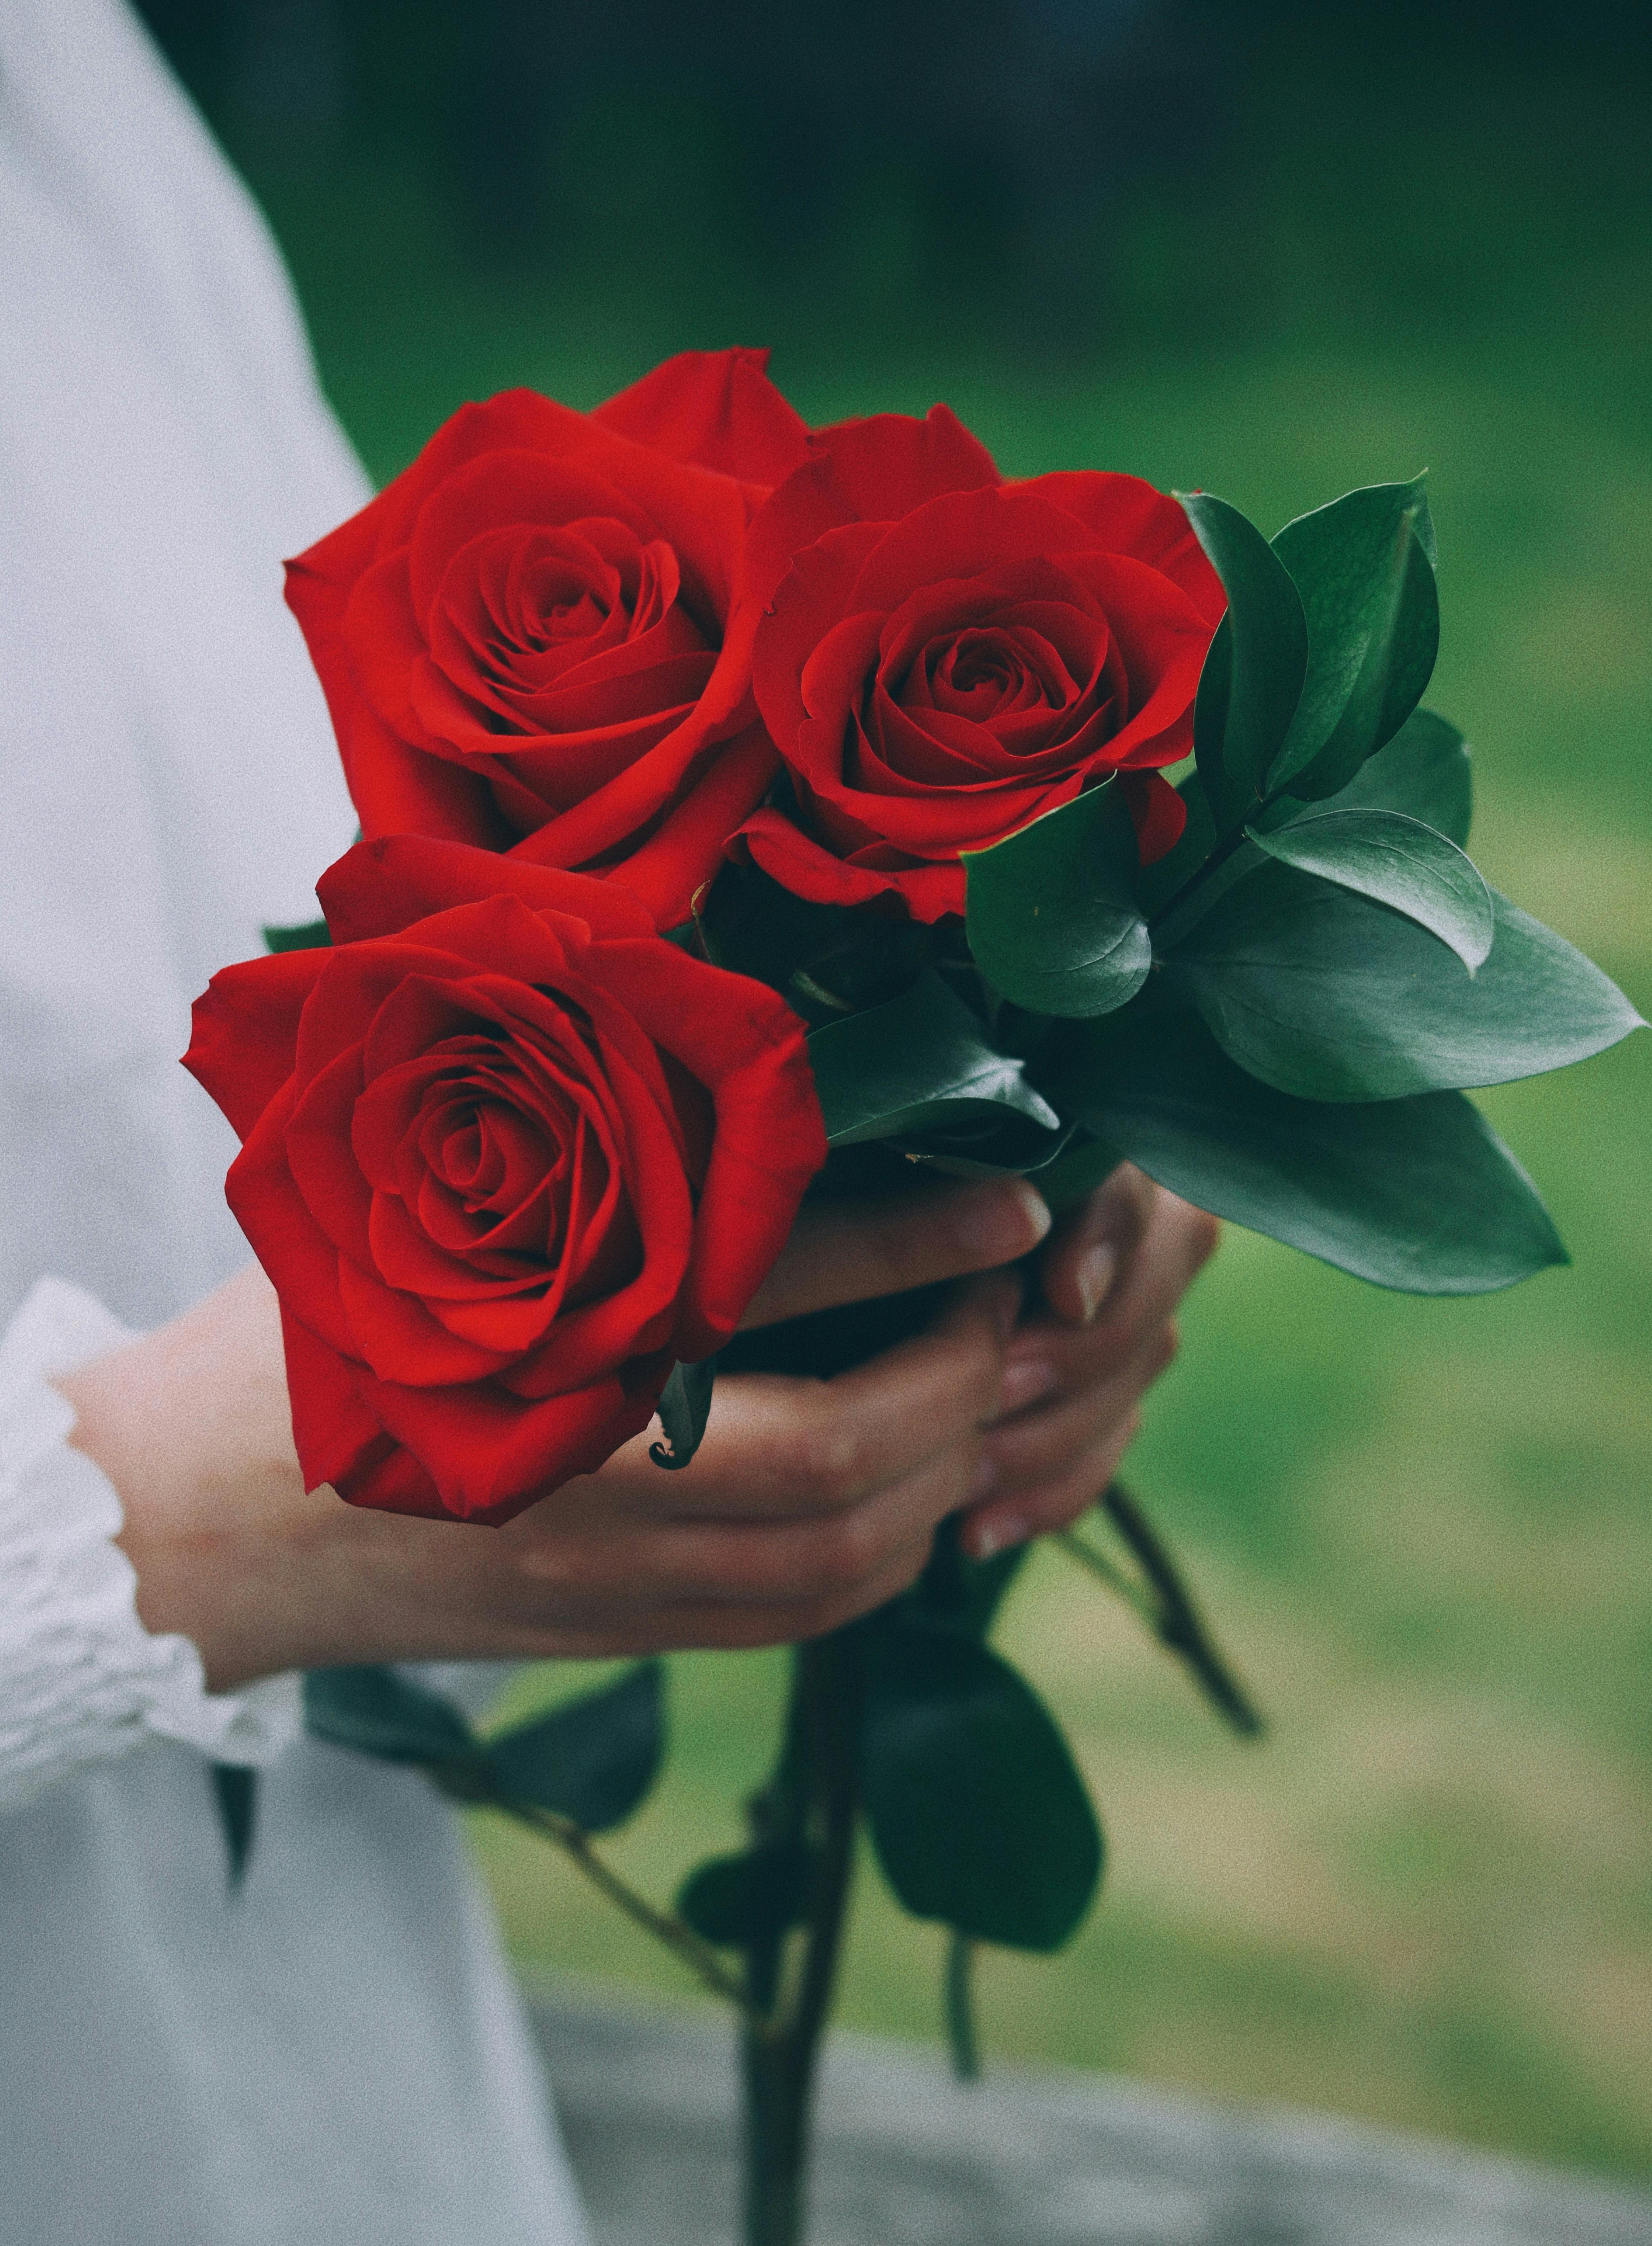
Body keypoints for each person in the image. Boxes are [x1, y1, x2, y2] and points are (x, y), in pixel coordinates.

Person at [0, 3, 1218, 2241]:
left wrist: (928, 1207)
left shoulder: (62, 103)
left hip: (329, 2085)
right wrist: (158, 1539)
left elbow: (374, 942)